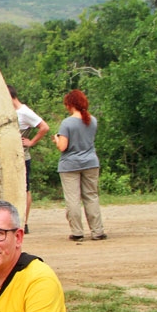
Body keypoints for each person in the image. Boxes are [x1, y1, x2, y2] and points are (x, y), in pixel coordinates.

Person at [54, 89, 106, 241]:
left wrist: (57, 139)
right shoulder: (92, 120)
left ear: (70, 104)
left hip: (70, 164)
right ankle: (98, 231)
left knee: (73, 199)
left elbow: (63, 147)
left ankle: (77, 232)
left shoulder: (67, 123)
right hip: (90, 162)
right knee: (91, 197)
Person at [8, 84, 50, 233]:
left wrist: (31, 142)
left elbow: (44, 127)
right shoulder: (10, 112)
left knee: (25, 188)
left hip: (22, 156)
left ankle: (24, 222)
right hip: (10, 156)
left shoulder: (24, 112)